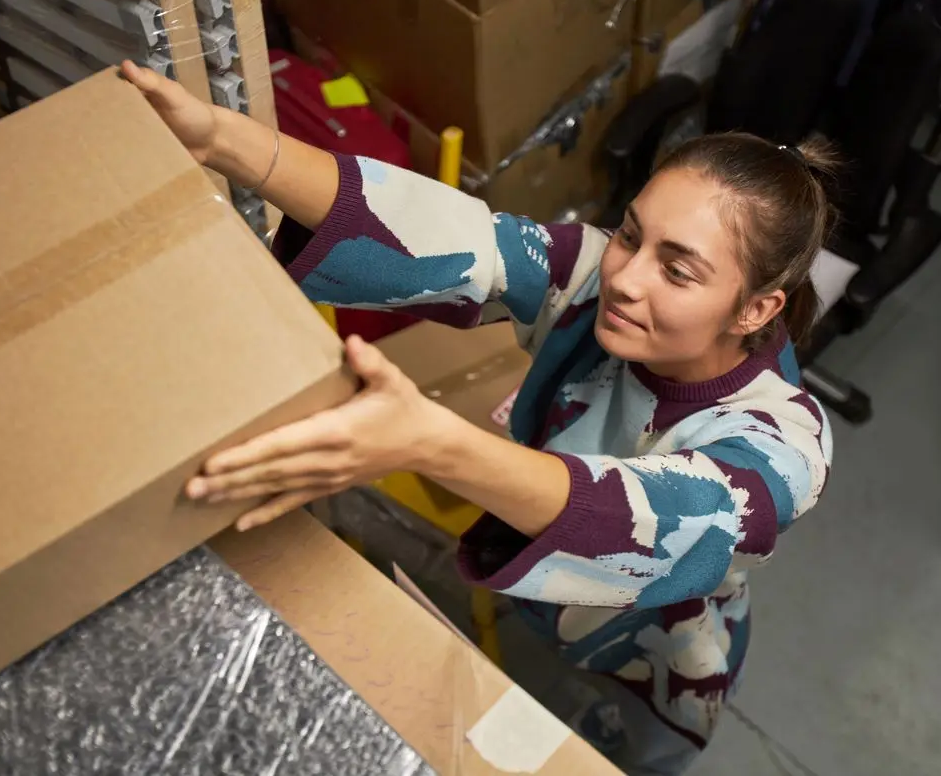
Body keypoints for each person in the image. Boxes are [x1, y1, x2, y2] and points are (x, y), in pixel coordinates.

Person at [121, 60, 834, 774]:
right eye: (630, 234)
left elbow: (658, 519)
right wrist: (225, 143)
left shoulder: (787, 447)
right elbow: (452, 234)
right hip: (545, 591)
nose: (625, 277)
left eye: (677, 271)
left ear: (756, 308)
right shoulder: (593, 277)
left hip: (663, 647)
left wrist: (429, 442)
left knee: (642, 751)